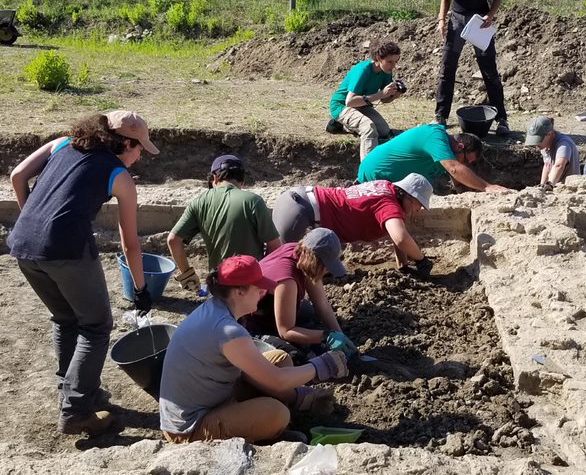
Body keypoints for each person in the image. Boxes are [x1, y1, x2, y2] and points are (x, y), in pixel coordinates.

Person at [7, 110, 159, 436]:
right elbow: (130, 244)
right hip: (67, 251)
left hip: (23, 245)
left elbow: (18, 176)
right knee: (96, 326)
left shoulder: (61, 144)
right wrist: (141, 288)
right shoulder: (119, 175)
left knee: (65, 318)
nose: (139, 158)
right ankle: (76, 411)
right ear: (125, 143)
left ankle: (73, 391)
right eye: (139, 150)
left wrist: (34, 219)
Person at [159, 255, 349, 444]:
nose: (263, 291)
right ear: (238, 292)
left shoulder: (215, 308)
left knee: (280, 359)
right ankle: (267, 433)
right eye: (257, 287)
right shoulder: (227, 331)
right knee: (276, 414)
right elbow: (278, 381)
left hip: (214, 395)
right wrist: (323, 365)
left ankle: (282, 412)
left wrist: (299, 395)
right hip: (190, 427)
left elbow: (250, 372)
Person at [271, 173, 435, 274]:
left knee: (317, 272)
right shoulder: (389, 205)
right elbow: (401, 238)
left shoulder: (386, 187)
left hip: (296, 200)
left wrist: (403, 265)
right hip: (301, 215)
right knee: (293, 272)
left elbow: (397, 235)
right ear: (409, 196)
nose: (419, 209)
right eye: (419, 204)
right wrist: (421, 260)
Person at [167, 154, 282, 290]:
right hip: (251, 288)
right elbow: (275, 247)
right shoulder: (253, 201)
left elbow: (173, 241)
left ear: (214, 178)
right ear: (242, 181)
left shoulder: (199, 202)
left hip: (219, 287)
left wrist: (187, 275)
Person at [243, 228, 358, 359]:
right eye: (326, 266)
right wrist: (326, 336)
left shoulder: (300, 252)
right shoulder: (287, 281)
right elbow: (285, 331)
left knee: (308, 313)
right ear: (315, 261)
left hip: (272, 314)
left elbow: (322, 303)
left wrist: (340, 335)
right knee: (297, 357)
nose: (327, 271)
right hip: (250, 326)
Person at [435, 0, 509, 136]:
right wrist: (442, 20)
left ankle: (502, 119)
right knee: (447, 68)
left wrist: (490, 15)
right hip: (457, 22)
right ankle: (440, 116)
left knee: (489, 70)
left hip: (479, 25)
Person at [356, 123, 509, 193]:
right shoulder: (435, 136)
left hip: (390, 181)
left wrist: (463, 192)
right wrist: (487, 187)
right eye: (467, 161)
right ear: (460, 147)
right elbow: (454, 169)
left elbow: (456, 176)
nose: (466, 165)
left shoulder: (446, 151)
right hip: (375, 174)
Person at [328, 39, 404, 160]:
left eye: (396, 61)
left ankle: (342, 126)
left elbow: (384, 99)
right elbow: (350, 101)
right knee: (368, 128)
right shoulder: (363, 70)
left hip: (362, 106)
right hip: (342, 106)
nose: (394, 65)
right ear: (378, 58)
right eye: (390, 61)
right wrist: (380, 94)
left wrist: (395, 94)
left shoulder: (386, 71)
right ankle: (368, 170)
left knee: (383, 131)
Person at [524, 116, 580, 188]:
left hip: (569, 188)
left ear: (549, 134)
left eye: (539, 140)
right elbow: (547, 165)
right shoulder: (544, 145)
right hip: (555, 185)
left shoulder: (563, 144)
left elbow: (559, 165)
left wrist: (549, 185)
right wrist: (542, 185)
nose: (536, 144)